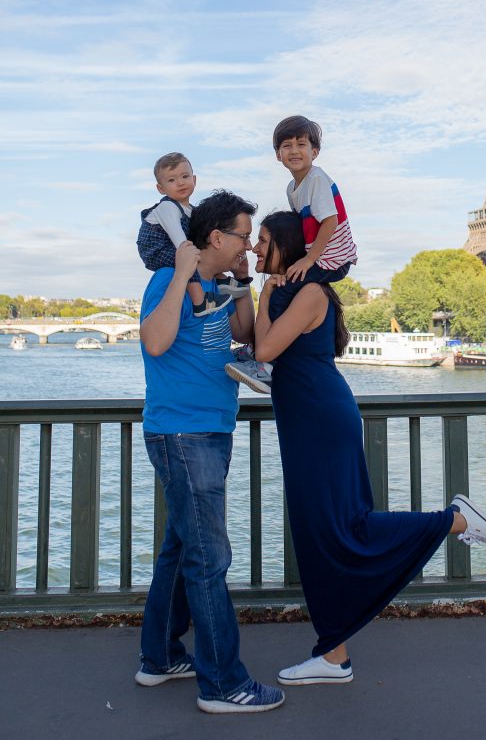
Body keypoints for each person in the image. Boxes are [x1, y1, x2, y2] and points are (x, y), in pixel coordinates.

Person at [252, 211, 486, 686]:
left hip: (319, 421)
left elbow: (264, 351)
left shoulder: (309, 293)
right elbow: (253, 338)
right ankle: (333, 656)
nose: (254, 249)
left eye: (263, 241)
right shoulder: (293, 293)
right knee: (320, 534)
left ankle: (455, 520)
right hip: (307, 419)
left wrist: (264, 293)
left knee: (341, 528)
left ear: (286, 246)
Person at [135, 190, 284, 715]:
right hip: (183, 434)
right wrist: (180, 273)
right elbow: (154, 342)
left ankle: (160, 658)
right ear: (215, 237)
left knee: (180, 551)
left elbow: (242, 333)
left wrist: (243, 286)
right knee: (209, 558)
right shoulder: (166, 281)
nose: (249, 243)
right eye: (244, 235)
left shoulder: (221, 286)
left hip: (209, 431)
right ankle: (223, 684)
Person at [227, 115, 357, 394]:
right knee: (284, 284)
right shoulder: (293, 188)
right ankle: (257, 355)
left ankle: (264, 364)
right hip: (320, 255)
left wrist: (309, 259)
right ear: (278, 155)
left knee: (285, 288)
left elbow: (330, 221)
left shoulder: (317, 179)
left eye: (302, 144)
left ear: (315, 152)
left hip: (332, 258)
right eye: (287, 145)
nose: (295, 150)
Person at [137, 152, 252, 317]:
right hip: (157, 250)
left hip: (174, 246)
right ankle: (200, 302)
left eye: (185, 176)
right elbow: (181, 244)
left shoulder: (191, 210)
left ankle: (221, 279)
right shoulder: (167, 208)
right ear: (161, 189)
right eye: (171, 180)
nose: (180, 183)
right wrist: (194, 256)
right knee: (188, 260)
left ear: (194, 180)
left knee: (197, 257)